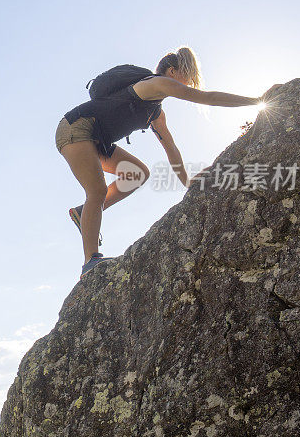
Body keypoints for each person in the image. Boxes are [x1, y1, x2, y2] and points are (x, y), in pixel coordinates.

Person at [55, 47, 263, 277]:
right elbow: (208, 98)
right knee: (97, 190)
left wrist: (187, 182)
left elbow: (170, 148)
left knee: (137, 174)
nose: (188, 84)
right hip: (76, 127)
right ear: (172, 71)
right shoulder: (156, 83)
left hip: (96, 139)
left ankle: (85, 213)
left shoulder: (156, 111)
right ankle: (90, 262)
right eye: (186, 77)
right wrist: (259, 100)